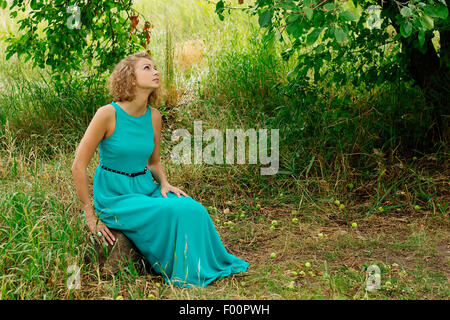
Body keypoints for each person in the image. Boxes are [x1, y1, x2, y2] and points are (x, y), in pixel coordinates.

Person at [71, 51, 249, 288]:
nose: (155, 72)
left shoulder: (154, 116)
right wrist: (89, 215)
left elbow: (153, 161)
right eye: (147, 68)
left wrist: (164, 183)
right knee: (172, 213)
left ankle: (206, 266)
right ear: (130, 78)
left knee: (193, 208)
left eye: (155, 67)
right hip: (115, 195)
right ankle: (184, 272)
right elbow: (78, 166)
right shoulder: (107, 114)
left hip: (146, 186)